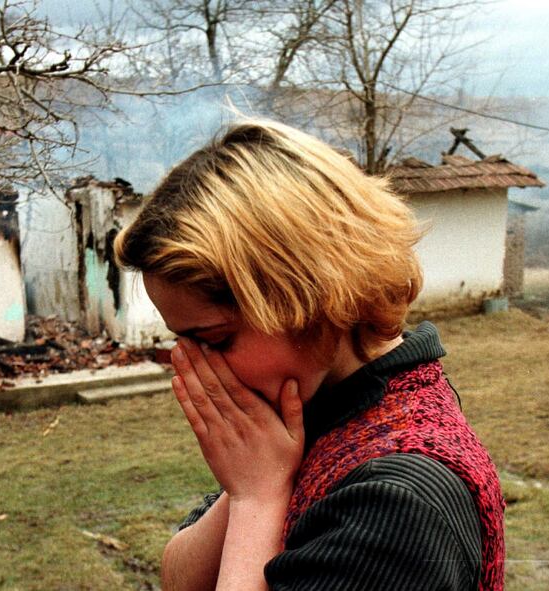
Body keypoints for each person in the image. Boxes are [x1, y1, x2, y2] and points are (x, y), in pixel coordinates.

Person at [113, 118, 505, 591]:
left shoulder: (396, 502)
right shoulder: (309, 416)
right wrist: (249, 490)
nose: (196, 368)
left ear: (311, 297)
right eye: (183, 340)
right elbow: (180, 579)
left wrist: (258, 499)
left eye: (215, 341)